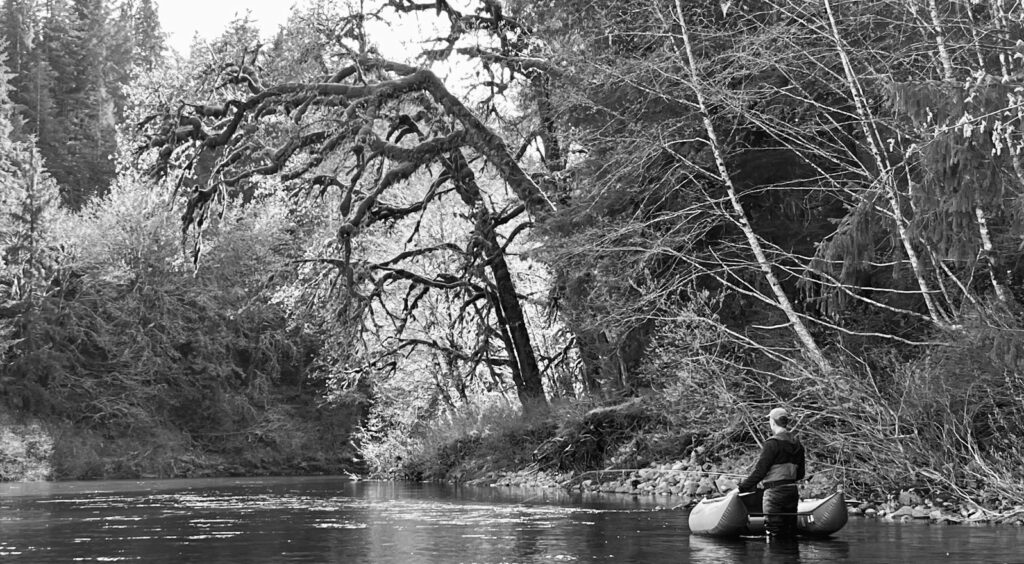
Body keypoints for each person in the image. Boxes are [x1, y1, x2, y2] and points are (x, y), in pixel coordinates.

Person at [738, 407, 805, 540]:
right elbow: (800, 474)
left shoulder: (771, 444)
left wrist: (742, 487)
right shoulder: (798, 445)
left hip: (774, 494)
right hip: (792, 492)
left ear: (773, 422)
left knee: (774, 533)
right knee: (790, 532)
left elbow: (760, 472)